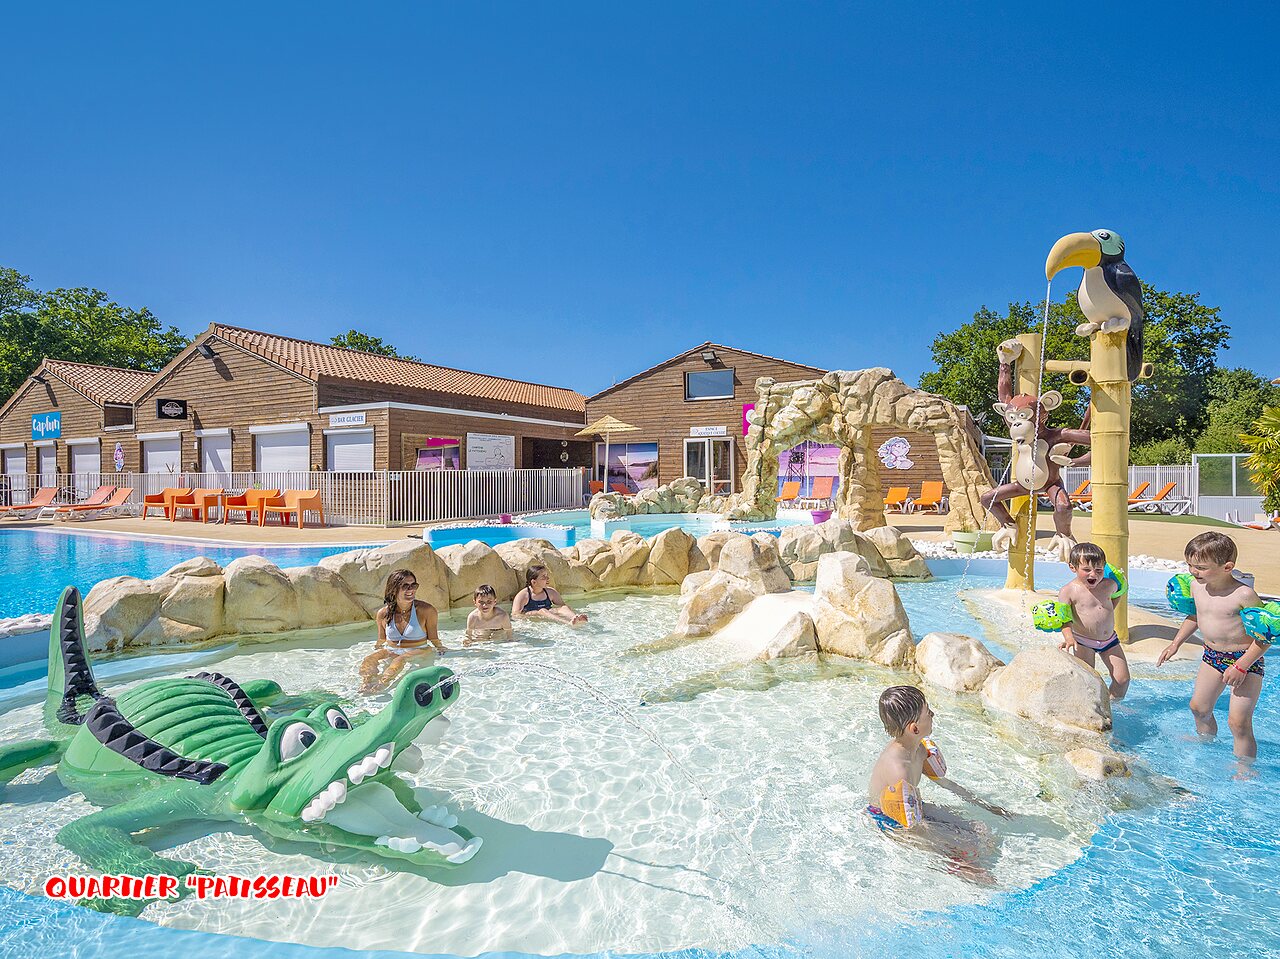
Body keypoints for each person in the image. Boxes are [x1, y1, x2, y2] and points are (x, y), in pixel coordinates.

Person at [867, 686, 1008, 878]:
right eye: (928, 712)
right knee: (963, 851)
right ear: (914, 728)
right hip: (892, 822)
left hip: (912, 809)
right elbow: (913, 826)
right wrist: (949, 848)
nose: (933, 714)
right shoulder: (899, 770)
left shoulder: (919, 750)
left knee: (979, 829)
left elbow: (946, 784)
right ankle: (954, 867)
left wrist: (988, 807)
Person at [1158, 531, 1266, 761]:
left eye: (1201, 567)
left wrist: (1242, 666)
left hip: (1245, 659)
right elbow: (1196, 616)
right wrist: (1176, 643)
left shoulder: (1243, 595)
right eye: (1190, 565)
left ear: (1227, 567)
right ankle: (1206, 743)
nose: (1193, 571)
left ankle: (1244, 768)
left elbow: (1265, 636)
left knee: (1238, 722)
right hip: (1212, 656)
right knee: (1199, 708)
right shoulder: (1198, 587)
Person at [1056, 542, 1130, 701]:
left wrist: (1108, 612)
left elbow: (1117, 596)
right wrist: (1069, 637)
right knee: (1088, 680)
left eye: (1099, 570)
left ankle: (1111, 706)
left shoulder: (1110, 585)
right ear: (1073, 567)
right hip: (1083, 642)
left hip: (1110, 640)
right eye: (1087, 570)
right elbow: (1064, 619)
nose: (1093, 575)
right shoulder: (1068, 591)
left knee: (1122, 680)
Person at [359, 569, 447, 694]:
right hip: (392, 650)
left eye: (413, 585)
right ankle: (366, 684)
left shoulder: (426, 610)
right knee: (369, 659)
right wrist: (377, 649)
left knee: (399, 660)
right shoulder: (383, 614)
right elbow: (382, 639)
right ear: (393, 589)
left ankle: (381, 685)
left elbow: (433, 638)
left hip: (419, 649)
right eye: (405, 586)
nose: (411, 589)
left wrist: (440, 647)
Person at [511, 564, 587, 625]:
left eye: (547, 575)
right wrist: (535, 614)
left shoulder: (551, 592)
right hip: (535, 615)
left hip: (548, 613)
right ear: (534, 582)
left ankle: (576, 618)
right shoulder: (523, 596)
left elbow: (562, 606)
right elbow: (515, 615)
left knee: (564, 608)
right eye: (543, 577)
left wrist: (560, 610)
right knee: (543, 611)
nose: (547, 578)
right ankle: (567, 623)